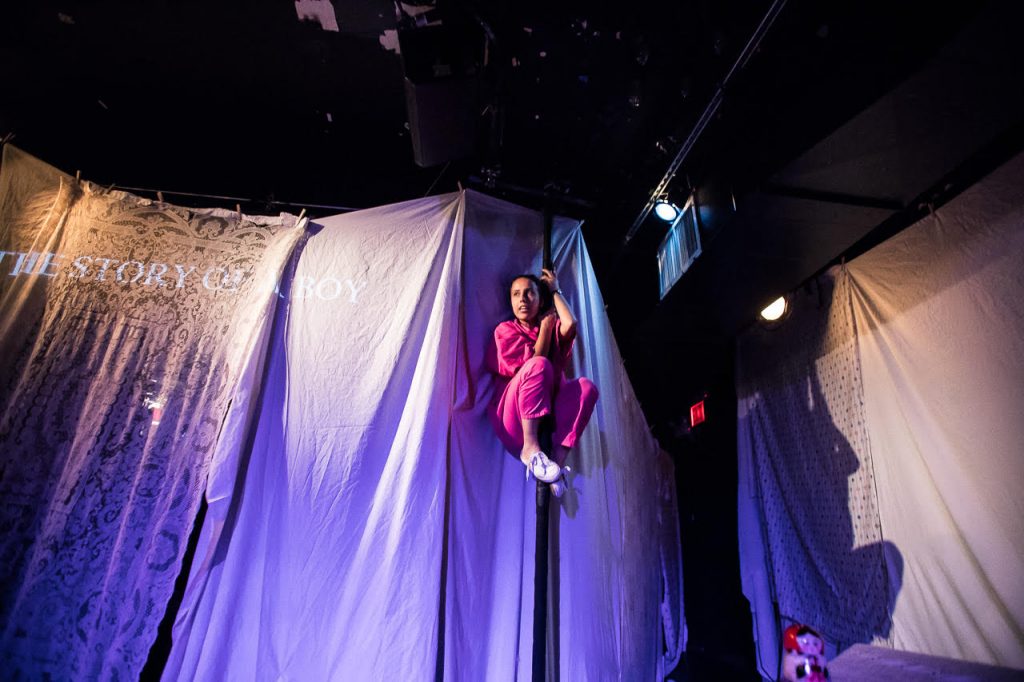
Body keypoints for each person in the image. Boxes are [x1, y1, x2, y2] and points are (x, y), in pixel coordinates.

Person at [487, 268, 599, 496]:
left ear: (540, 300)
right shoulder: (506, 330)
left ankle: (555, 463)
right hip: (515, 421)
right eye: (516, 294)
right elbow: (535, 360)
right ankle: (531, 449)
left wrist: (555, 290)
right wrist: (547, 328)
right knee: (539, 365)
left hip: (547, 416)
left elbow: (570, 324)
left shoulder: (547, 324)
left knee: (587, 388)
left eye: (529, 293)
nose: (522, 300)